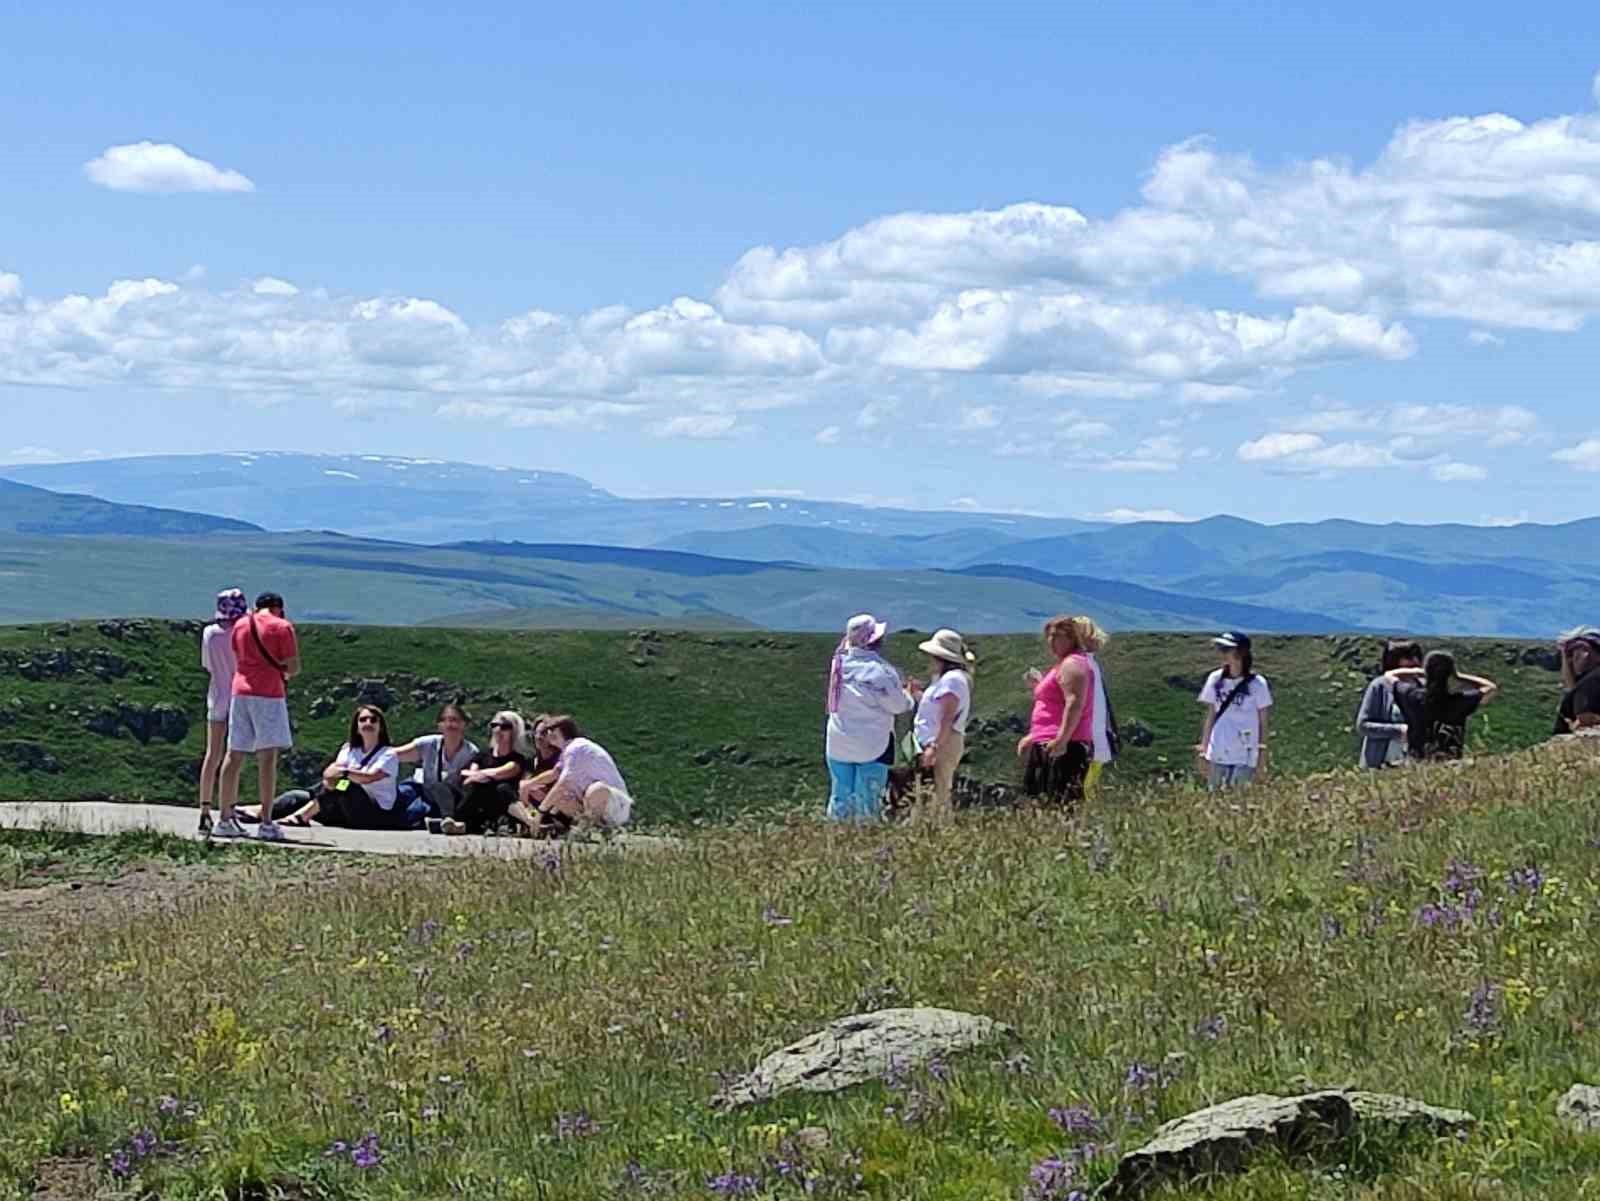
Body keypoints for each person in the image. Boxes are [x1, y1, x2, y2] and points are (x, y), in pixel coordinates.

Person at [215, 591, 300, 840]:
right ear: (279, 608)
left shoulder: (241, 624)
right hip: (269, 694)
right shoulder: (283, 627)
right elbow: (293, 666)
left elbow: (238, 655)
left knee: (234, 754)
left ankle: (224, 819)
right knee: (267, 758)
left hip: (239, 692)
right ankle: (266, 822)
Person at [823, 613, 912, 822]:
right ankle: (865, 836)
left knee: (840, 795)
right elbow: (898, 705)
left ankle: (836, 836)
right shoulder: (881, 672)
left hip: (838, 741)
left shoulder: (839, 665)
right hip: (872, 744)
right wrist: (909, 695)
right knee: (868, 798)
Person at [1018, 615, 1104, 806]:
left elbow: (1074, 703)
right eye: (1049, 636)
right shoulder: (1063, 664)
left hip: (1065, 744)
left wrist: (1062, 739)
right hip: (1048, 739)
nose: (1051, 641)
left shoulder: (1073, 664)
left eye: (1058, 636)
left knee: (1059, 801)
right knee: (1041, 800)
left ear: (1072, 637)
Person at [273, 706, 405, 828]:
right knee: (297, 797)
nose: (368, 723)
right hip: (344, 808)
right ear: (357, 727)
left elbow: (370, 777)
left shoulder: (389, 754)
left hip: (374, 813)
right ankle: (261, 813)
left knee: (344, 784)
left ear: (380, 727)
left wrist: (344, 773)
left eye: (373, 720)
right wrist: (333, 777)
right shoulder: (349, 750)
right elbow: (331, 773)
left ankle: (302, 817)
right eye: (363, 720)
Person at [905, 629, 975, 820]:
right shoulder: (949, 680)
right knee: (933, 790)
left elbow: (947, 717)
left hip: (942, 741)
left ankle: (939, 829)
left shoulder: (952, 680)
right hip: (941, 740)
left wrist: (934, 746)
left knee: (938, 791)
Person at [197, 588, 247, 833]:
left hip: (216, 696)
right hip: (240, 696)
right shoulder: (242, 632)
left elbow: (207, 665)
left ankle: (204, 809)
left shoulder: (209, 633)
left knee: (212, 755)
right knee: (234, 758)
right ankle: (228, 811)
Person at [530, 716, 634, 835]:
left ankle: (588, 828)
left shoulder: (576, 748)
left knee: (596, 789)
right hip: (591, 802)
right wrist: (529, 785)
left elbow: (563, 783)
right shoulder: (566, 752)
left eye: (552, 730)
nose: (548, 734)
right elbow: (555, 773)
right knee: (561, 798)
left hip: (615, 804)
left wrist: (540, 813)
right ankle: (596, 828)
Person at [1386, 651, 1498, 760]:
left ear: (1427, 672)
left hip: (1417, 762)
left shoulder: (1413, 696)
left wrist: (1417, 671)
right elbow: (1491, 688)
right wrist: (1458, 676)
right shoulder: (1458, 701)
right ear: (1449, 674)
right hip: (1450, 763)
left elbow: (1389, 675)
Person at [1196, 631, 1272, 789]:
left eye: (1226, 649)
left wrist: (1262, 755)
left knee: (1238, 798)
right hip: (1218, 750)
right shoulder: (1215, 679)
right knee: (1215, 798)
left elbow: (1263, 722)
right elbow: (1211, 714)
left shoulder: (1257, 684)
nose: (1223, 654)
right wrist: (1203, 750)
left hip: (1245, 753)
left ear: (1240, 653)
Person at [441, 712, 535, 836]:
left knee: (496, 787)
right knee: (443, 786)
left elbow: (501, 772)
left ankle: (456, 821)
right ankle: (450, 818)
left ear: (514, 731)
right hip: (473, 799)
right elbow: (465, 773)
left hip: (496, 803)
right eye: (495, 725)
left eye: (505, 727)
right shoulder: (483, 754)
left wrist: (478, 775)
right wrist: (477, 775)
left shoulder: (518, 759)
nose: (498, 730)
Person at [394, 703, 479, 827]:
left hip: (445, 799)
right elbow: (396, 754)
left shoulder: (471, 752)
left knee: (413, 813)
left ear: (464, 724)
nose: (451, 725)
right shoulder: (427, 743)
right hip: (421, 786)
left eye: (455, 720)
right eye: (446, 720)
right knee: (400, 795)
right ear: (440, 725)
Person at [1355, 639, 1424, 768]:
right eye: (1408, 657)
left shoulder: (1422, 686)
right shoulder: (1379, 686)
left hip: (1415, 765)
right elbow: (1363, 726)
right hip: (1380, 764)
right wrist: (1399, 731)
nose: (1414, 661)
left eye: (1416, 656)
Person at [1554, 626, 1600, 735]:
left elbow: (1587, 722)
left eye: (1570, 653)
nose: (1568, 661)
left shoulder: (1591, 681)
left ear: (1585, 651)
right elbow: (1570, 686)